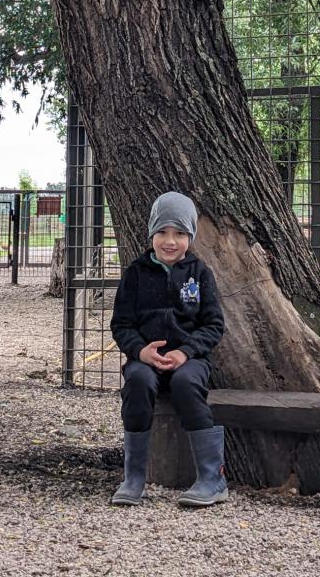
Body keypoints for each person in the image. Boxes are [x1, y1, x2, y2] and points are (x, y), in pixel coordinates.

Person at [109, 191, 227, 508]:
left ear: (190, 237)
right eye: (162, 232)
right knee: (137, 381)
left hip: (189, 359)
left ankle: (212, 478)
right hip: (145, 359)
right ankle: (134, 478)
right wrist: (140, 351)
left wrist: (185, 352)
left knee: (187, 383)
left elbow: (213, 325)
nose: (170, 241)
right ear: (152, 234)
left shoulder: (200, 273)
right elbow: (121, 324)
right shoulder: (136, 273)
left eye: (179, 233)